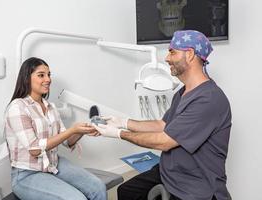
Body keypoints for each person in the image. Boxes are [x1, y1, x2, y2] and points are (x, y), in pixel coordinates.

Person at [94, 30, 232, 200]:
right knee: (127, 191)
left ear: (189, 54)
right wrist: (123, 122)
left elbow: (164, 142)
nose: (167, 58)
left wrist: (118, 134)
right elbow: (164, 125)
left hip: (195, 187)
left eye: (172, 51)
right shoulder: (183, 93)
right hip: (171, 172)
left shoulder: (209, 99)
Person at [4, 57, 106, 200]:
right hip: (27, 174)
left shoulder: (50, 107)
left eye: (49, 74)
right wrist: (72, 130)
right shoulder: (17, 108)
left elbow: (67, 141)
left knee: (98, 187)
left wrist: (81, 131)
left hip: (53, 164)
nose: (48, 79)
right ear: (27, 78)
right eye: (41, 75)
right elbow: (34, 149)